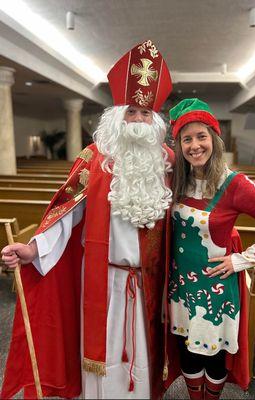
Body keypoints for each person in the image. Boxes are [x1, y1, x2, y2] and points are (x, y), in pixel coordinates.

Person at [1, 40, 174, 400]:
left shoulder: (167, 162)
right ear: (118, 117)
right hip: (104, 279)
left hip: (150, 284)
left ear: (155, 121)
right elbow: (67, 213)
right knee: (102, 359)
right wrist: (34, 248)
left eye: (145, 115)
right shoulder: (95, 158)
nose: (138, 121)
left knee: (144, 359)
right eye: (132, 113)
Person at [165, 98, 255, 400]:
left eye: (202, 136)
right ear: (179, 145)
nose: (195, 145)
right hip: (180, 287)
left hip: (215, 289)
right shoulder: (176, 181)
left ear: (214, 139)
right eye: (187, 139)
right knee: (186, 351)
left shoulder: (234, 183)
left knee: (211, 355)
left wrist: (240, 260)